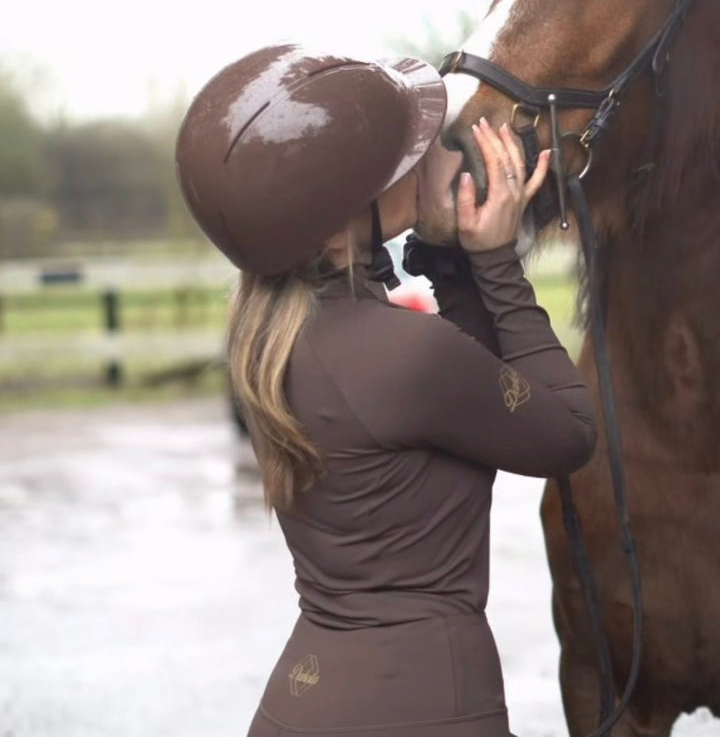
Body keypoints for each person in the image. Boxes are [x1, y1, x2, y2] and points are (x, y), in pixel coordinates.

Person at [175, 44, 596, 737]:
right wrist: (493, 261)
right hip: (428, 705)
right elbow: (570, 430)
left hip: (302, 700)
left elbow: (472, 391)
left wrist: (445, 254)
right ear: (341, 224)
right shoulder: (407, 354)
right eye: (408, 156)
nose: (435, 149)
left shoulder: (272, 339)